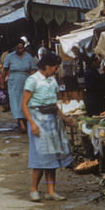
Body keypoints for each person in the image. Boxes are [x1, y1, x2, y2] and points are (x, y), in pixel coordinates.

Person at [20, 52, 74, 201]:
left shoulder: (52, 81)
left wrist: (65, 118)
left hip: (52, 120)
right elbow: (24, 104)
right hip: (38, 120)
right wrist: (32, 124)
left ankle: (51, 191)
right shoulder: (33, 80)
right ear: (47, 66)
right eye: (55, 68)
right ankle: (33, 189)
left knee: (53, 157)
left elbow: (54, 104)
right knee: (41, 157)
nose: (56, 70)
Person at [2, 40, 38, 133]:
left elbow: (33, 70)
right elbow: (4, 70)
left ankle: (26, 120)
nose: (20, 50)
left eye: (22, 48)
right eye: (18, 48)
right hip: (14, 81)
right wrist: (2, 82)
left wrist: (34, 80)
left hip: (26, 80)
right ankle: (21, 123)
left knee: (26, 100)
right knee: (15, 101)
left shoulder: (28, 56)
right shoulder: (10, 57)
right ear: (15, 48)